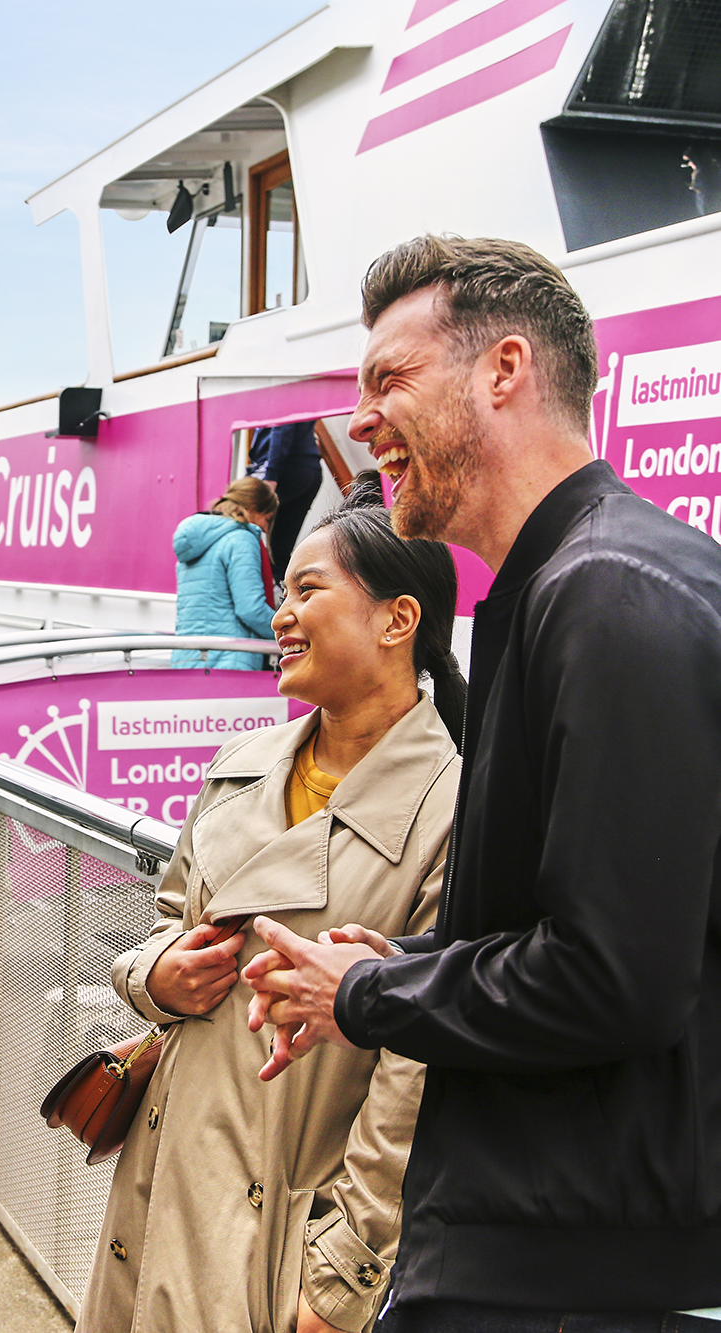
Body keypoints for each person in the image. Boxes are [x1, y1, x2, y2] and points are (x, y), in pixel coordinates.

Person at [244, 235, 721, 1328]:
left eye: (387, 380)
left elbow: (613, 980)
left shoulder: (604, 595)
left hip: (583, 1280)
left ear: (503, 370)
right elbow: (607, 932)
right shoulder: (574, 585)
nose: (361, 423)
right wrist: (405, 961)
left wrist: (365, 995)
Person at [78, 484, 465, 1333]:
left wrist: (343, 1271)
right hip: (155, 1184)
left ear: (397, 621)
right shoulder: (241, 761)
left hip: (283, 1225)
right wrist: (159, 979)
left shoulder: (457, 808)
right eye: (281, 591)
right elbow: (159, 926)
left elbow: (418, 1072)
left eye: (307, 589)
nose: (280, 615)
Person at [171, 475, 279, 669]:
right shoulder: (241, 539)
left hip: (187, 658)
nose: (265, 527)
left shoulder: (197, 541)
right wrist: (284, 631)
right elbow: (250, 609)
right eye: (268, 518)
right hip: (229, 661)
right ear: (254, 509)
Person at [248, 419, 326, 576]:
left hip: (285, 468)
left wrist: (271, 475)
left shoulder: (276, 397)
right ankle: (282, 587)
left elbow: (282, 427)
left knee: (239, 527)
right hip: (309, 470)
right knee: (280, 550)